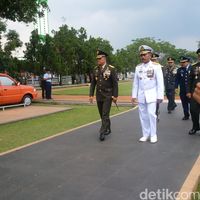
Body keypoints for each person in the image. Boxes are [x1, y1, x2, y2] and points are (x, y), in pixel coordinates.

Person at [131, 45, 164, 143]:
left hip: (152, 95)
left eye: (145, 54)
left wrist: (160, 96)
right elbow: (136, 83)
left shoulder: (156, 66)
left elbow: (160, 82)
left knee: (151, 114)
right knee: (143, 116)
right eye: (141, 55)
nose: (142, 57)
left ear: (150, 54)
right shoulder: (138, 67)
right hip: (141, 95)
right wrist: (134, 95)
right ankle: (145, 134)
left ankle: (153, 134)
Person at [89, 50, 118, 141]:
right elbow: (93, 83)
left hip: (108, 95)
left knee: (105, 114)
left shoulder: (111, 69)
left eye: (99, 58)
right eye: (97, 58)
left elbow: (115, 84)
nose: (98, 60)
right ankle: (108, 127)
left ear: (104, 58)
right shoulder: (95, 69)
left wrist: (115, 96)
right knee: (102, 114)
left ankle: (102, 132)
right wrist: (91, 95)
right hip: (99, 95)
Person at [186, 48, 200, 135]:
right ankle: (195, 127)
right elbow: (189, 80)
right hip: (195, 93)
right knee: (193, 110)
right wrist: (188, 92)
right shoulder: (194, 66)